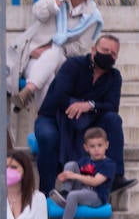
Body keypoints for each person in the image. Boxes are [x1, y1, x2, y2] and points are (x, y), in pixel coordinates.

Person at [34, 34, 132, 195]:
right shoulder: (73, 65)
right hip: (52, 116)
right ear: (93, 50)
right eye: (105, 50)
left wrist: (89, 105)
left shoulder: (114, 77)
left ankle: (116, 177)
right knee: (48, 137)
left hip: (89, 119)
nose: (108, 55)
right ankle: (46, 192)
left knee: (113, 120)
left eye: (113, 53)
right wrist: (75, 106)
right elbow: (59, 95)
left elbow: (112, 106)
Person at [7, 0, 102, 112]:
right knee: (47, 80)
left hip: (63, 60)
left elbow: (79, 48)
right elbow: (39, 13)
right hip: (33, 55)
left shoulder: (92, 16)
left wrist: (51, 49)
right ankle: (43, 121)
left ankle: (28, 90)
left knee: (56, 50)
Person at [50, 127, 116, 219]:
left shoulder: (108, 164)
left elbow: (95, 182)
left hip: (96, 196)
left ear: (107, 145)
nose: (96, 149)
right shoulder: (84, 161)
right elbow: (72, 173)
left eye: (100, 145)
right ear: (86, 148)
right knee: (71, 165)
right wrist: (65, 175)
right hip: (82, 190)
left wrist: (73, 176)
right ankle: (65, 193)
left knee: (74, 195)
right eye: (92, 146)